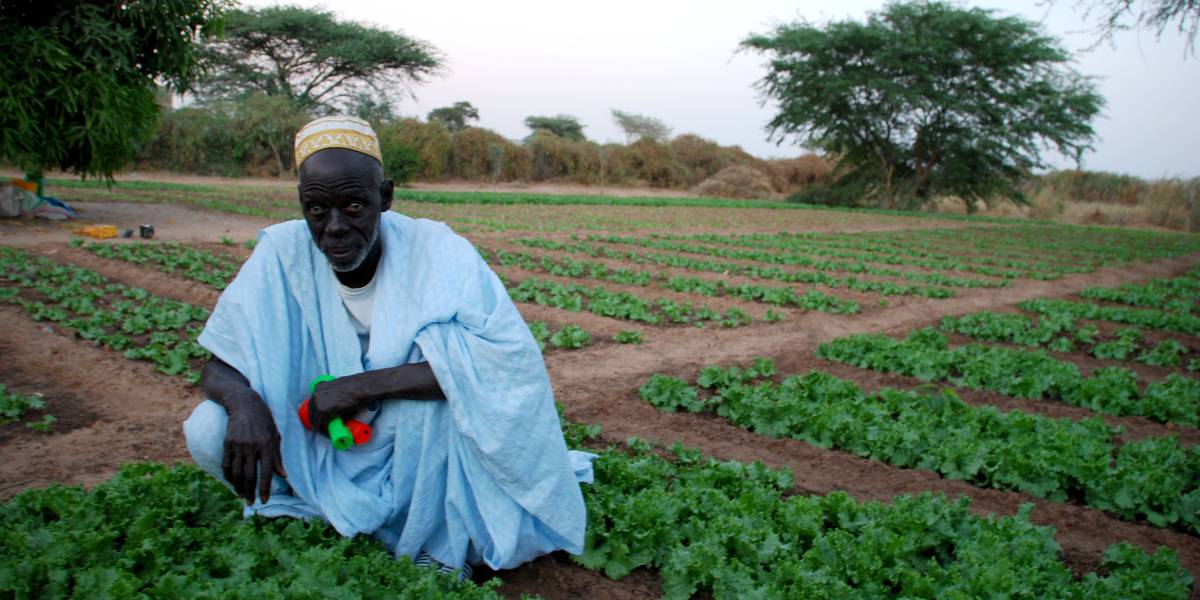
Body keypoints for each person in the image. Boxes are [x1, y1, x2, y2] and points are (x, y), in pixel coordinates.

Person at [183, 115, 593, 580]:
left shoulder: (436, 250)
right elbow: (218, 364)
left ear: (386, 196)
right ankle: (313, 508)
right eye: (318, 210)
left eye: (354, 206)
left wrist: (359, 387)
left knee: (432, 405)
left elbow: (502, 362)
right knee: (207, 428)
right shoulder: (281, 253)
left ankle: (423, 536)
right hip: (317, 435)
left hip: (407, 440)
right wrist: (242, 404)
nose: (335, 227)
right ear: (302, 204)